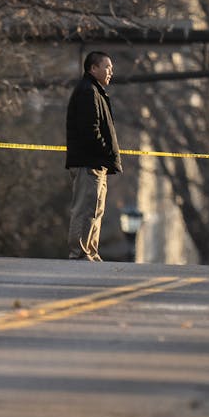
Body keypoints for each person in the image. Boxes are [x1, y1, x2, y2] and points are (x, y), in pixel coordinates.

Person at [65, 51, 122, 261]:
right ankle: (79, 252)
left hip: (97, 163)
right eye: (107, 67)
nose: (110, 72)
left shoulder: (95, 91)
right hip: (88, 162)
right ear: (93, 68)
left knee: (95, 209)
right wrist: (106, 151)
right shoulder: (87, 92)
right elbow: (91, 130)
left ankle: (90, 251)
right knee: (84, 209)